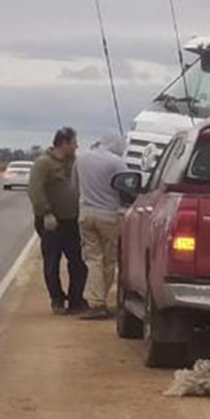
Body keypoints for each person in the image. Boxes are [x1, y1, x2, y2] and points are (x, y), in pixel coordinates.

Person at [28, 127, 89, 315]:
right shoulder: (43, 163)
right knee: (52, 261)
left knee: (78, 263)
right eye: (74, 142)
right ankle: (57, 299)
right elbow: (35, 190)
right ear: (63, 143)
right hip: (51, 221)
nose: (77, 146)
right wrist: (46, 212)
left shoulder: (74, 163)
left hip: (71, 220)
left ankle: (76, 299)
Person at [75, 134, 129, 320]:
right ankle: (99, 302)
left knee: (93, 259)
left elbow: (75, 186)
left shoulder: (82, 158)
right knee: (108, 261)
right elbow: (127, 187)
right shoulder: (116, 162)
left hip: (85, 214)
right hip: (109, 216)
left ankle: (95, 301)